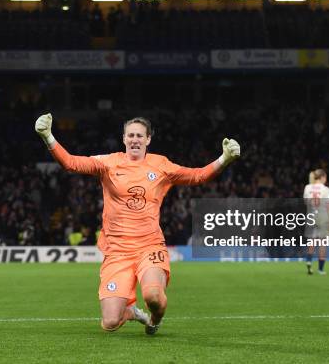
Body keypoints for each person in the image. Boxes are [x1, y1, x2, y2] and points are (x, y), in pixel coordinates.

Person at [35, 113, 240, 335]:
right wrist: (48, 136)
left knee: (153, 297)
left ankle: (155, 318)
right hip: (117, 251)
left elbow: (198, 176)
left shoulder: (161, 165)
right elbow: (71, 163)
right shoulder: (108, 163)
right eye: (131, 135)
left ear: (148, 139)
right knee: (110, 323)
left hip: (149, 246)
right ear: (123, 139)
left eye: (140, 136)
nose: (135, 139)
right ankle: (132, 312)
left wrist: (224, 159)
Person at [303, 169, 329, 275]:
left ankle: (308, 261)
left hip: (311, 215)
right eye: (325, 177)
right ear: (322, 177)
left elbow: (306, 202)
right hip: (323, 216)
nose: (326, 180)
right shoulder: (326, 189)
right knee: (322, 244)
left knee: (312, 241)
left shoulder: (307, 187)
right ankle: (320, 269)